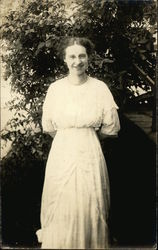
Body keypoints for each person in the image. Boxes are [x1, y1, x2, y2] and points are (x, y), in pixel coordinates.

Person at [36, 37, 120, 249]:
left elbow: (110, 128)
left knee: (90, 202)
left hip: (90, 153)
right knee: (60, 201)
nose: (77, 61)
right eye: (72, 56)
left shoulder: (99, 88)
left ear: (89, 58)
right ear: (65, 59)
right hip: (61, 153)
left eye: (82, 55)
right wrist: (69, 139)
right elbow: (49, 126)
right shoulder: (55, 89)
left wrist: (87, 138)